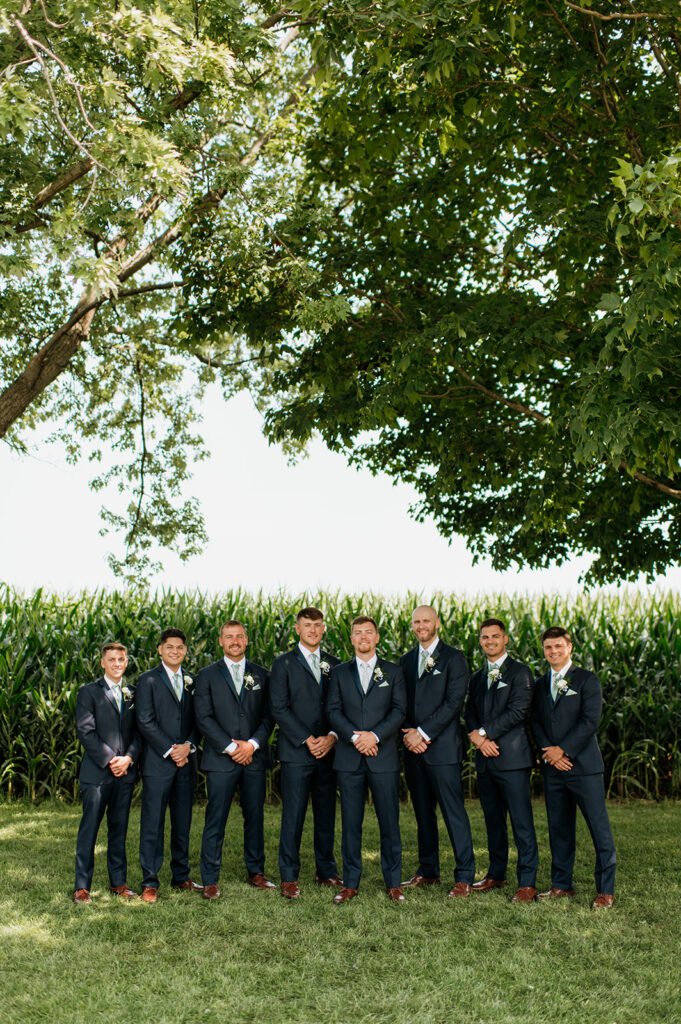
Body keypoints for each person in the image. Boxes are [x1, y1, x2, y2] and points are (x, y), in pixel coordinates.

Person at [531, 626, 616, 908]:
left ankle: (605, 891)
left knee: (598, 829)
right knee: (559, 828)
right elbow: (536, 722)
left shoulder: (586, 680)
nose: (553, 652)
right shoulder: (541, 683)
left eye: (558, 646)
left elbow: (590, 721)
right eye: (548, 648)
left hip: (584, 767)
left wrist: (563, 750)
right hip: (553, 769)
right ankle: (561, 885)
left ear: (569, 648)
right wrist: (550, 753)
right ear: (543, 651)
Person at [326, 616, 407, 903]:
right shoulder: (338, 672)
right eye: (357, 632)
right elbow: (333, 710)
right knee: (350, 822)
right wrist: (355, 737)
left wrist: (374, 736)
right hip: (349, 759)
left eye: (368, 632)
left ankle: (394, 883)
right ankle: (350, 883)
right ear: (351, 639)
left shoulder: (393, 672)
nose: (363, 637)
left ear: (376, 638)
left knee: (389, 822)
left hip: (382, 756)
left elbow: (399, 711)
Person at [399, 605, 476, 897]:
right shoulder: (406, 661)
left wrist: (424, 732)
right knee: (422, 813)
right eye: (417, 621)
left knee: (452, 812)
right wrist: (409, 732)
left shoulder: (454, 658)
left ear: (437, 624)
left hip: (442, 748)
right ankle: (428, 870)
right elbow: (398, 701)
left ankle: (465, 875)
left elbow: (454, 702)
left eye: (426, 621)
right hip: (412, 748)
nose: (421, 625)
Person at [194, 620, 274, 899]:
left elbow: (268, 716)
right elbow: (203, 717)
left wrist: (251, 745)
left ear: (247, 640)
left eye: (239, 636)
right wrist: (230, 747)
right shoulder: (206, 676)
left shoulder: (262, 675)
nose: (234, 641)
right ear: (220, 642)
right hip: (220, 759)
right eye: (229, 637)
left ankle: (256, 872)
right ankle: (210, 879)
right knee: (216, 818)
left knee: (254, 817)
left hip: (254, 757)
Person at [464, 618, 538, 902]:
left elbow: (518, 711)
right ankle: (496, 873)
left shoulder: (520, 672)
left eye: (495, 636)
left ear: (505, 639)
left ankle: (527, 881)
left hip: (512, 759)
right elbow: (470, 711)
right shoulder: (477, 676)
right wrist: (478, 738)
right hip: (485, 759)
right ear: (480, 640)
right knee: (493, 820)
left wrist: (484, 733)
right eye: (484, 637)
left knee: (521, 822)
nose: (490, 641)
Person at [270, 607, 341, 898]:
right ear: (297, 629)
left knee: (326, 813)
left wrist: (333, 737)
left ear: (324, 629)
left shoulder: (335, 664)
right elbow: (279, 707)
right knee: (294, 814)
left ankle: (326, 870)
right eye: (307, 625)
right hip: (297, 751)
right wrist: (306, 738)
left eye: (318, 625)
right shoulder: (283, 663)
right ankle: (289, 875)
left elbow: (342, 705)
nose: (313, 630)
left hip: (328, 751)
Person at [135, 628, 202, 902]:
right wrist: (171, 750)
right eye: (169, 647)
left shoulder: (193, 681)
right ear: (160, 650)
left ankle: (181, 875)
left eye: (180, 647)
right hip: (158, 763)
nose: (175, 651)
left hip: (187, 762)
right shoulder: (147, 680)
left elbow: (201, 719)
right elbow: (145, 721)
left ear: (185, 650)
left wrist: (188, 746)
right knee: (153, 822)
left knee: (182, 822)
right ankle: (150, 881)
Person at [73, 642, 141, 903]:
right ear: (102, 662)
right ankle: (82, 886)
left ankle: (118, 882)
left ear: (126, 662)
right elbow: (85, 731)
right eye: (111, 659)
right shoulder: (88, 692)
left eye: (121, 659)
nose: (116, 664)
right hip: (97, 773)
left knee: (119, 827)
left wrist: (129, 759)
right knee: (89, 827)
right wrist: (111, 759)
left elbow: (139, 731)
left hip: (125, 772)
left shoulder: (133, 693)